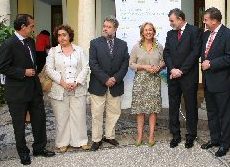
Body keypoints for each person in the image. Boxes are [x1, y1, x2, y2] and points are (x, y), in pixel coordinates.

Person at [0, 14, 55, 165]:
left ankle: (39, 148)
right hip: (17, 92)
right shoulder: (9, 44)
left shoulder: (30, 41)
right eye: (31, 26)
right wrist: (23, 72)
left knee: (39, 120)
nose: (33, 29)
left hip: (34, 89)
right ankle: (23, 153)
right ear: (23, 27)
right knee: (19, 124)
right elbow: (2, 67)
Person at [46, 25, 90, 153]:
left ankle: (81, 141)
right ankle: (62, 142)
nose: (61, 37)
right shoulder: (53, 51)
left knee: (79, 116)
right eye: (59, 35)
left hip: (78, 89)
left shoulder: (79, 50)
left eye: (64, 34)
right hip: (60, 89)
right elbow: (49, 70)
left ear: (70, 35)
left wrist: (76, 82)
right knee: (62, 117)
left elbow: (86, 67)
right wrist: (63, 83)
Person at [200, 7, 230, 157]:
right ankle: (214, 139)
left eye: (206, 20)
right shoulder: (205, 35)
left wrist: (211, 64)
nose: (204, 22)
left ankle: (224, 144)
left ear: (214, 21)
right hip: (208, 82)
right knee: (212, 113)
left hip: (223, 83)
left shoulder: (229, 34)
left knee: (224, 114)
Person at [89, 16, 129, 151]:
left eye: (109, 27)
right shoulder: (94, 43)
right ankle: (96, 139)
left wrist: (115, 79)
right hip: (98, 84)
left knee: (114, 112)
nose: (105, 28)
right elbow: (93, 64)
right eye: (104, 26)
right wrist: (105, 79)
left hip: (115, 85)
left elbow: (125, 64)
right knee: (96, 114)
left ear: (115, 29)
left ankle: (110, 136)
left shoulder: (123, 44)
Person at [164, 8, 201, 149]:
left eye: (172, 21)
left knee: (190, 106)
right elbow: (167, 52)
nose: (170, 23)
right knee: (173, 106)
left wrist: (181, 70)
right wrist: (172, 69)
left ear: (180, 19)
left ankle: (191, 135)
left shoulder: (194, 31)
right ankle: (175, 134)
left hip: (188, 76)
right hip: (173, 75)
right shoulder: (170, 33)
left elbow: (195, 53)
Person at [129, 22, 165, 146]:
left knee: (153, 110)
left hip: (154, 81)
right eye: (146, 30)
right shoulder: (136, 47)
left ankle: (151, 135)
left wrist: (158, 67)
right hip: (140, 81)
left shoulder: (159, 46)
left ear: (154, 32)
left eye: (150, 30)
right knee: (140, 110)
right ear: (142, 33)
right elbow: (131, 64)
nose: (148, 32)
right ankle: (139, 136)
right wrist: (144, 66)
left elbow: (164, 61)